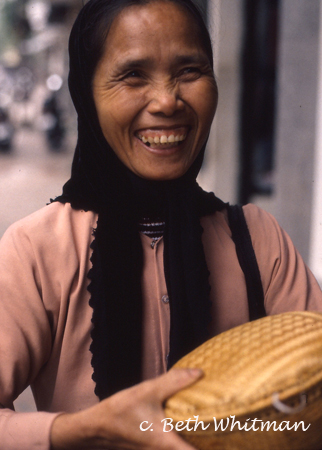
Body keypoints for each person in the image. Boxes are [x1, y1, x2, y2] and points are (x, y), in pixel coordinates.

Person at [0, 0, 322, 449]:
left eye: (190, 71)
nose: (168, 100)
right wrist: (81, 428)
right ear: (85, 93)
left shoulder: (257, 240)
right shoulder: (35, 251)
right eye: (133, 75)